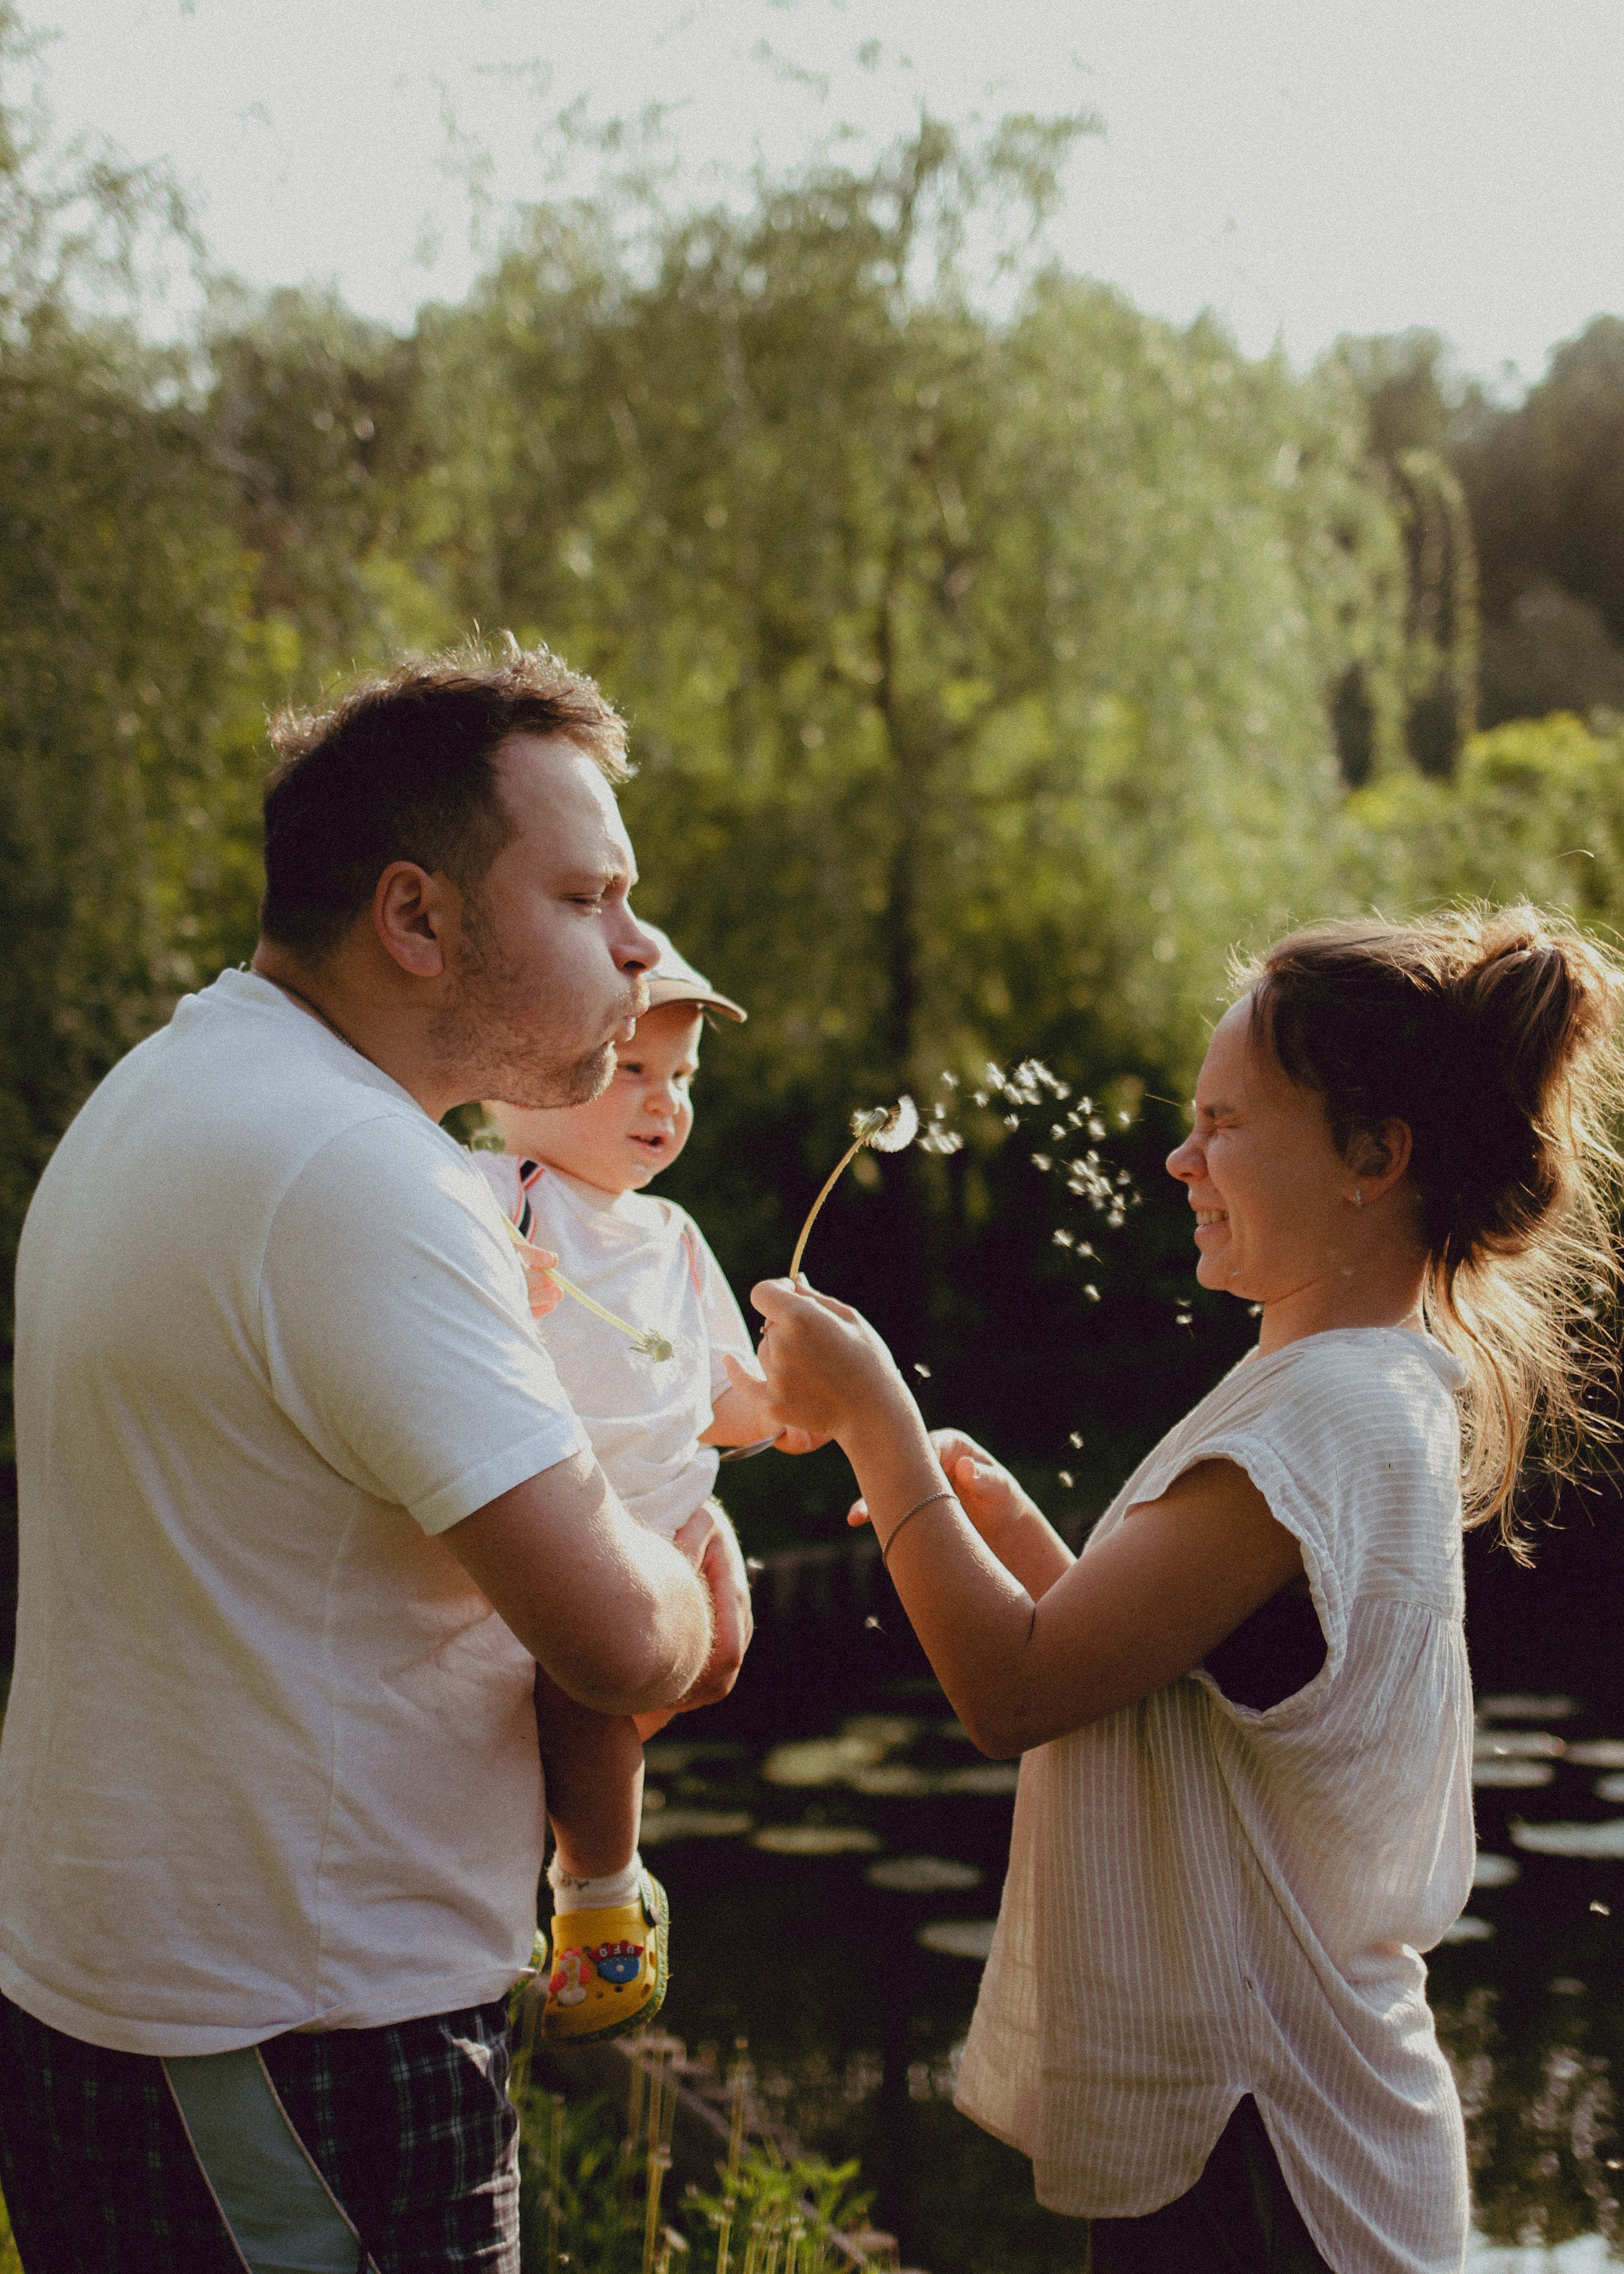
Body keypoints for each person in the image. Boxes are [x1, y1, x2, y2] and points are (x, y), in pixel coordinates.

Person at [0, 645, 752, 2274]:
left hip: (184, 2024)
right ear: (415, 919)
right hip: (293, 2041)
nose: (637, 947)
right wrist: (700, 1598)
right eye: (586, 896)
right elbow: (619, 1639)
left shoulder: (175, 1089)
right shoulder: (357, 1176)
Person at [744, 907, 1624, 2274]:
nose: (1177, 1156)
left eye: (1221, 1122)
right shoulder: (1352, 1380)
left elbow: (1016, 1688)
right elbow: (1154, 1672)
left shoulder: (1321, 1408)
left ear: (1371, 1159)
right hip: (1277, 2113)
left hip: (1267, 2151)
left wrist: (875, 1422)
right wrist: (1009, 1524)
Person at [469, 926, 802, 2042]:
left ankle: (567, 1798)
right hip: (573, 1531)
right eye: (631, 1069)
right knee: (595, 1692)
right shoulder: (495, 1196)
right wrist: (489, 1264)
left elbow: (719, 1399)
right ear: (517, 1074)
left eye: (681, 1079)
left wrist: (793, 1405)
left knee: (712, 1660)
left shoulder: (671, 1235)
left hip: (669, 1516)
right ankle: (599, 1900)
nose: (664, 1101)